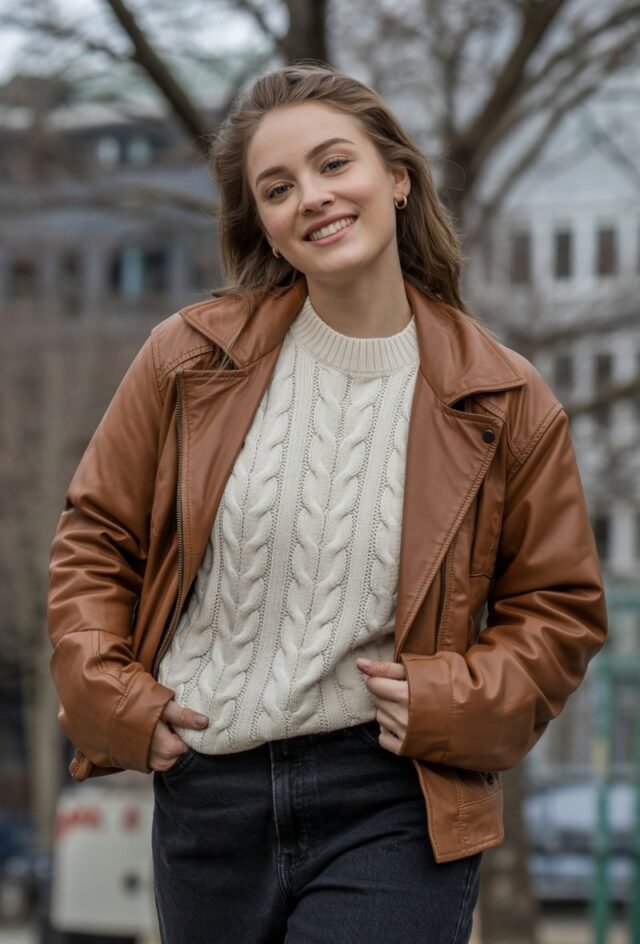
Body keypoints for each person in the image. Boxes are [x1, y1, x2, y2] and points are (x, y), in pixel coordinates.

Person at [48, 63, 606, 944]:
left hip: (393, 794)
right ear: (264, 225)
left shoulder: (506, 400)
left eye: (333, 164)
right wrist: (113, 698)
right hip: (209, 793)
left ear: (396, 176)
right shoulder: (187, 358)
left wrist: (453, 700)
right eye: (278, 187)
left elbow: (560, 610)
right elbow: (97, 538)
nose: (311, 196)